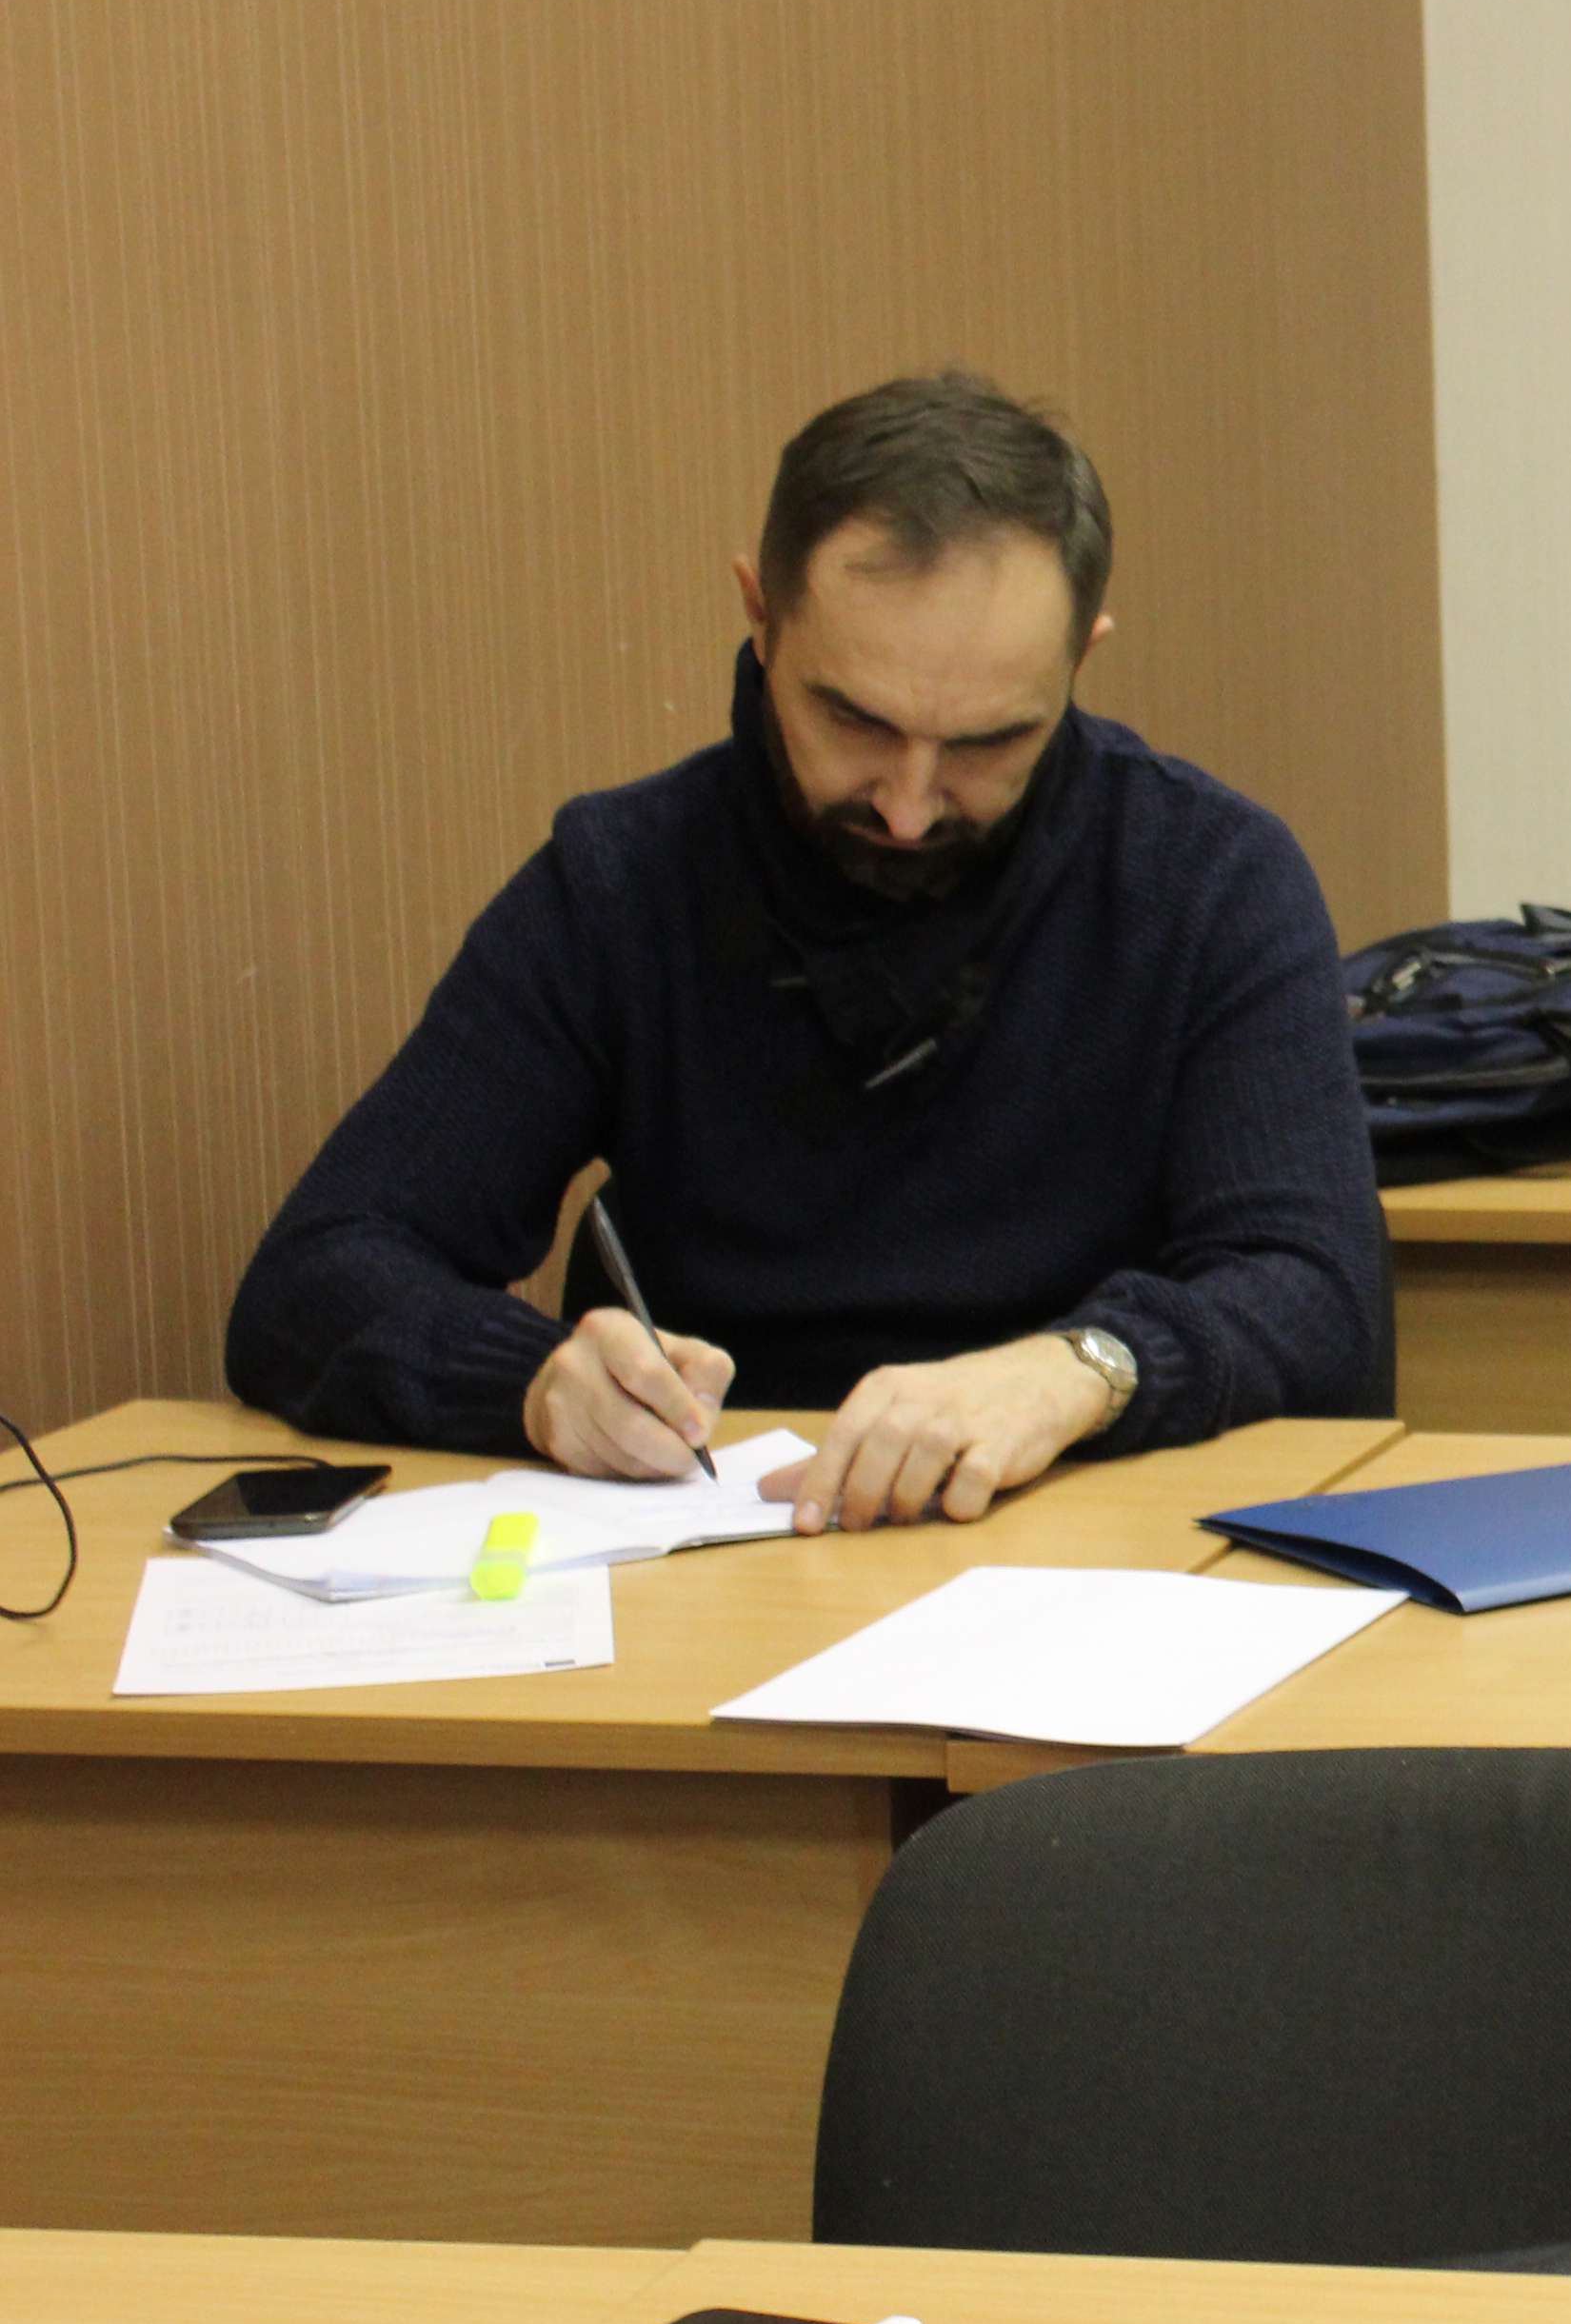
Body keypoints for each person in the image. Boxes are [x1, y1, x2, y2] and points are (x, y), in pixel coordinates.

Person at [228, 373, 1388, 1528]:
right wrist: (531, 1382)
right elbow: (317, 1276)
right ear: (760, 615)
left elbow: (1321, 1300)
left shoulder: (1207, 880)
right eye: (855, 721)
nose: (909, 808)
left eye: (988, 743)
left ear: (1081, 657)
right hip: (726, 1546)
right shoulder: (623, 887)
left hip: (1104, 1546)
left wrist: (1079, 1372)